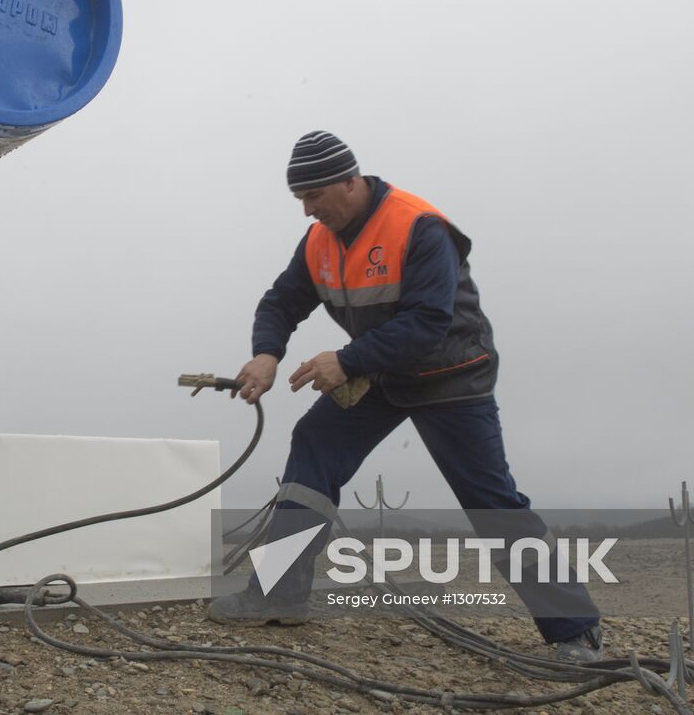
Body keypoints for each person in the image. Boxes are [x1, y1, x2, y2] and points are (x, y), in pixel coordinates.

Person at [207, 131, 604, 663]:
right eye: (299, 199)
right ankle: (277, 594)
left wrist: (344, 361)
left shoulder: (418, 227)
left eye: (314, 196)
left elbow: (428, 322)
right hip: (383, 375)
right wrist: (266, 353)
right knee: (315, 442)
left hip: (451, 375)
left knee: (490, 500)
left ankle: (575, 631)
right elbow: (281, 300)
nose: (307, 210)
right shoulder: (319, 242)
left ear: (349, 182)